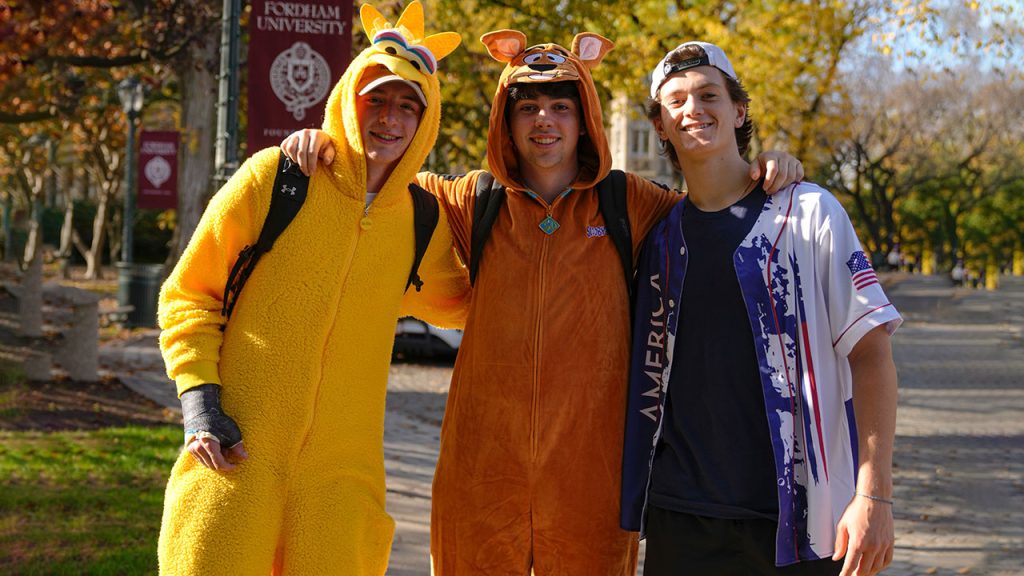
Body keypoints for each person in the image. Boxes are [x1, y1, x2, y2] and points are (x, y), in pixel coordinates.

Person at [281, 31, 802, 574]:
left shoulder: (630, 203)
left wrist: (767, 167)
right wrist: (327, 143)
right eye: (526, 107)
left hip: (592, 480)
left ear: (586, 121)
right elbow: (382, 178)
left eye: (560, 106)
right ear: (507, 122)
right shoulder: (471, 200)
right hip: (481, 477)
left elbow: (715, 204)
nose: (544, 120)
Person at [155, 3, 465, 574]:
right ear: (349, 99)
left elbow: (467, 305)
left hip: (341, 482)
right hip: (235, 456)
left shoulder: (423, 219)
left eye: (407, 106)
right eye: (377, 99)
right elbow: (188, 294)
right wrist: (200, 403)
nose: (390, 119)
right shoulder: (276, 177)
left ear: (427, 121)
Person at [624, 41, 901, 576]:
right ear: (659, 124)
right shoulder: (655, 235)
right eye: (676, 100)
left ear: (739, 110)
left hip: (804, 522)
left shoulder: (807, 213)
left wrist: (875, 495)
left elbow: (872, 356)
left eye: (709, 95)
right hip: (682, 520)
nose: (693, 109)